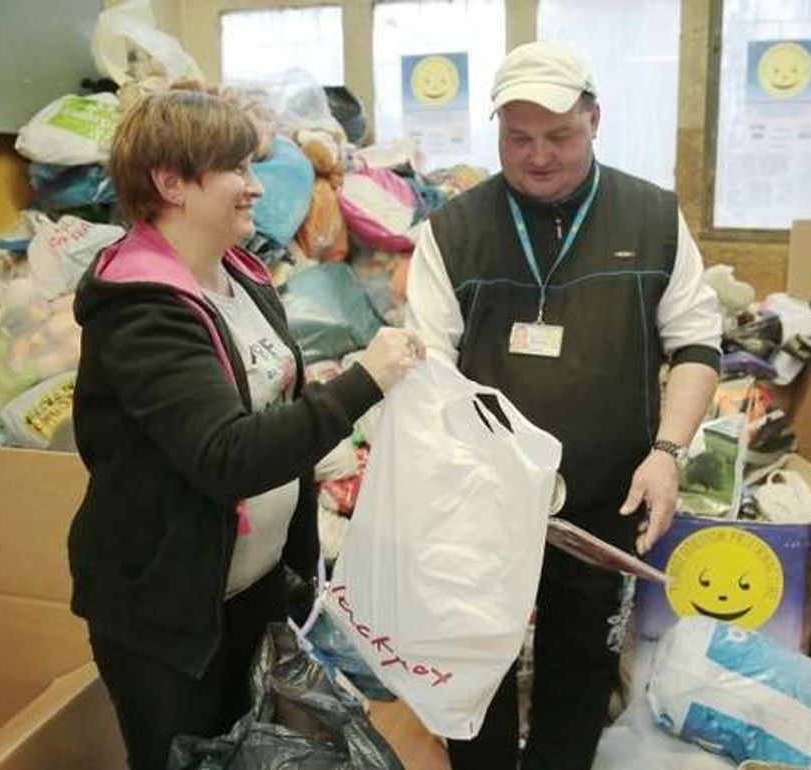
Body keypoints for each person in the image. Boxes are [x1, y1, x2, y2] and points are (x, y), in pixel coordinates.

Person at [67, 90, 424, 770]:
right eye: (236, 168)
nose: (257, 186)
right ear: (171, 183)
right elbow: (225, 455)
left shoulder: (240, 275)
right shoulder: (141, 310)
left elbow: (272, 400)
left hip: (252, 586)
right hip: (169, 608)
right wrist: (364, 383)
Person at [405, 41, 722, 770]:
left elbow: (697, 345)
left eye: (559, 135)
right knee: (473, 666)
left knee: (580, 667)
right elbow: (428, 369)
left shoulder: (652, 217)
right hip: (481, 496)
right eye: (518, 137)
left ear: (595, 120)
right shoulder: (453, 230)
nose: (538, 156)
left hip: (605, 495)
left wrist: (667, 454)